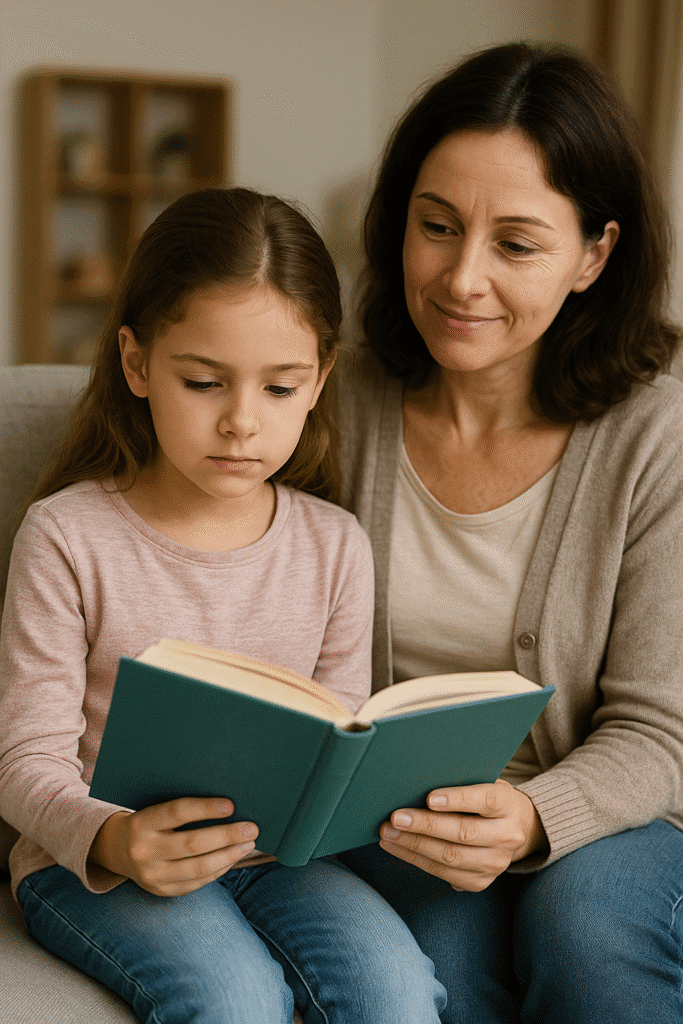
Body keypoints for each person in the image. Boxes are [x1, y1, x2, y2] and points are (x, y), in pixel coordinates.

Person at [0, 187, 446, 1024]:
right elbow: (24, 761)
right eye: (204, 382)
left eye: (280, 388)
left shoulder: (335, 544)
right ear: (136, 363)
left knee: (395, 988)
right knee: (234, 998)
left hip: (277, 861)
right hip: (98, 862)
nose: (241, 422)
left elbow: (338, 738)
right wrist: (114, 840)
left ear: (320, 379)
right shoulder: (67, 535)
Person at [335, 42, 683, 1022]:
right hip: (399, 821)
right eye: (435, 226)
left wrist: (533, 815)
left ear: (592, 256)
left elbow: (659, 728)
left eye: (515, 244)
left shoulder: (656, 436)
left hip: (615, 810)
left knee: (584, 929)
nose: (460, 279)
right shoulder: (327, 401)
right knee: (442, 960)